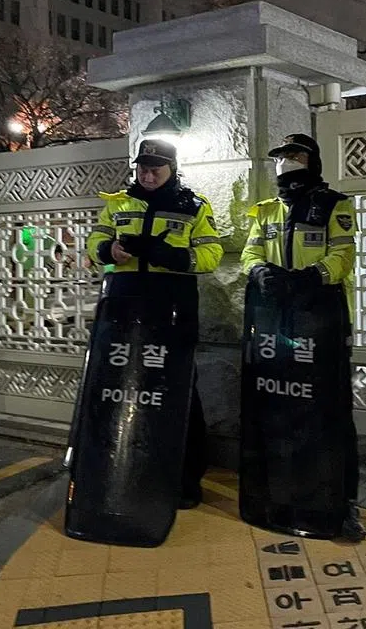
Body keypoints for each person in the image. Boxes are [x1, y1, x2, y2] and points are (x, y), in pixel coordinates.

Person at [239, 133, 366, 542]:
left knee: (329, 414)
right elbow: (249, 254)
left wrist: (309, 279)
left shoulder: (334, 205)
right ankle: (277, 495)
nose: (285, 163)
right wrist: (260, 273)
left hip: (320, 325)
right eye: (280, 157)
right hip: (277, 326)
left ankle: (341, 502)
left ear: (311, 161)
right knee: (277, 408)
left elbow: (342, 256)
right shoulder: (266, 210)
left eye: (294, 156)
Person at [84, 137, 223, 509]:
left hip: (171, 309)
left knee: (177, 391)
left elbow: (211, 254)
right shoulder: (119, 203)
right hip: (125, 307)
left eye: (154, 169)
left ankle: (185, 481)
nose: (147, 175)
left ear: (171, 169)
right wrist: (108, 250)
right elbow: (96, 240)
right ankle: (122, 469)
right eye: (142, 168)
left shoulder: (194, 206)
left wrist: (174, 256)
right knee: (121, 389)